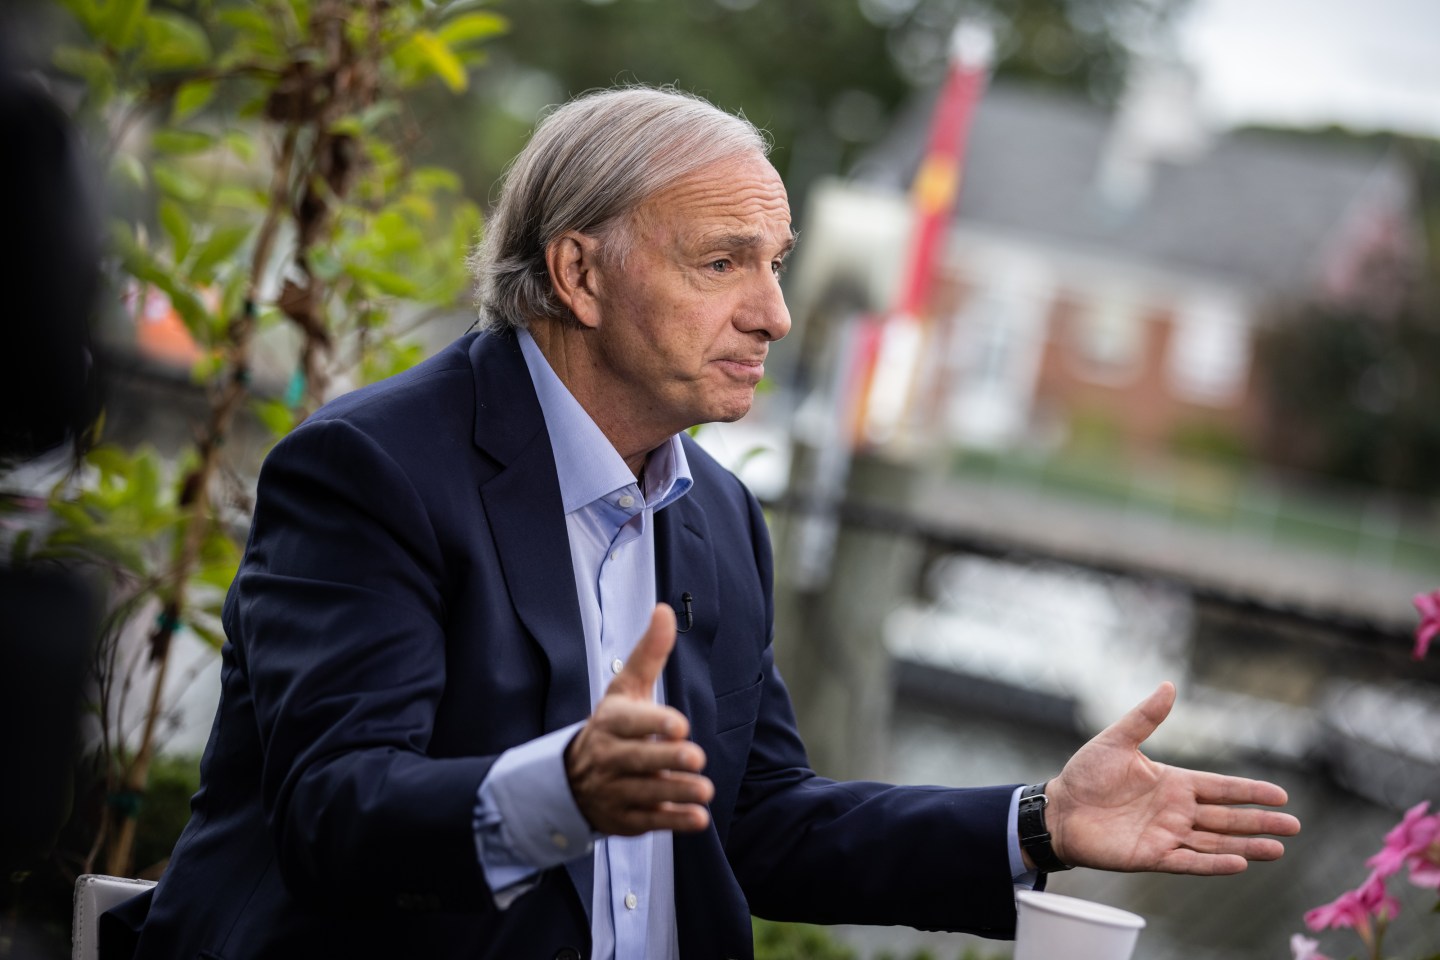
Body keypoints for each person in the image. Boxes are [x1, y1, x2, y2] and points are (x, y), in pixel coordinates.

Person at [111, 85, 1299, 960]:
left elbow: (760, 822)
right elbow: (336, 814)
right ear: (579, 275)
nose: (777, 314)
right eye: (726, 263)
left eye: (775, 263)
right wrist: (562, 787)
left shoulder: (719, 511)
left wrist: (1038, 821)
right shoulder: (366, 470)